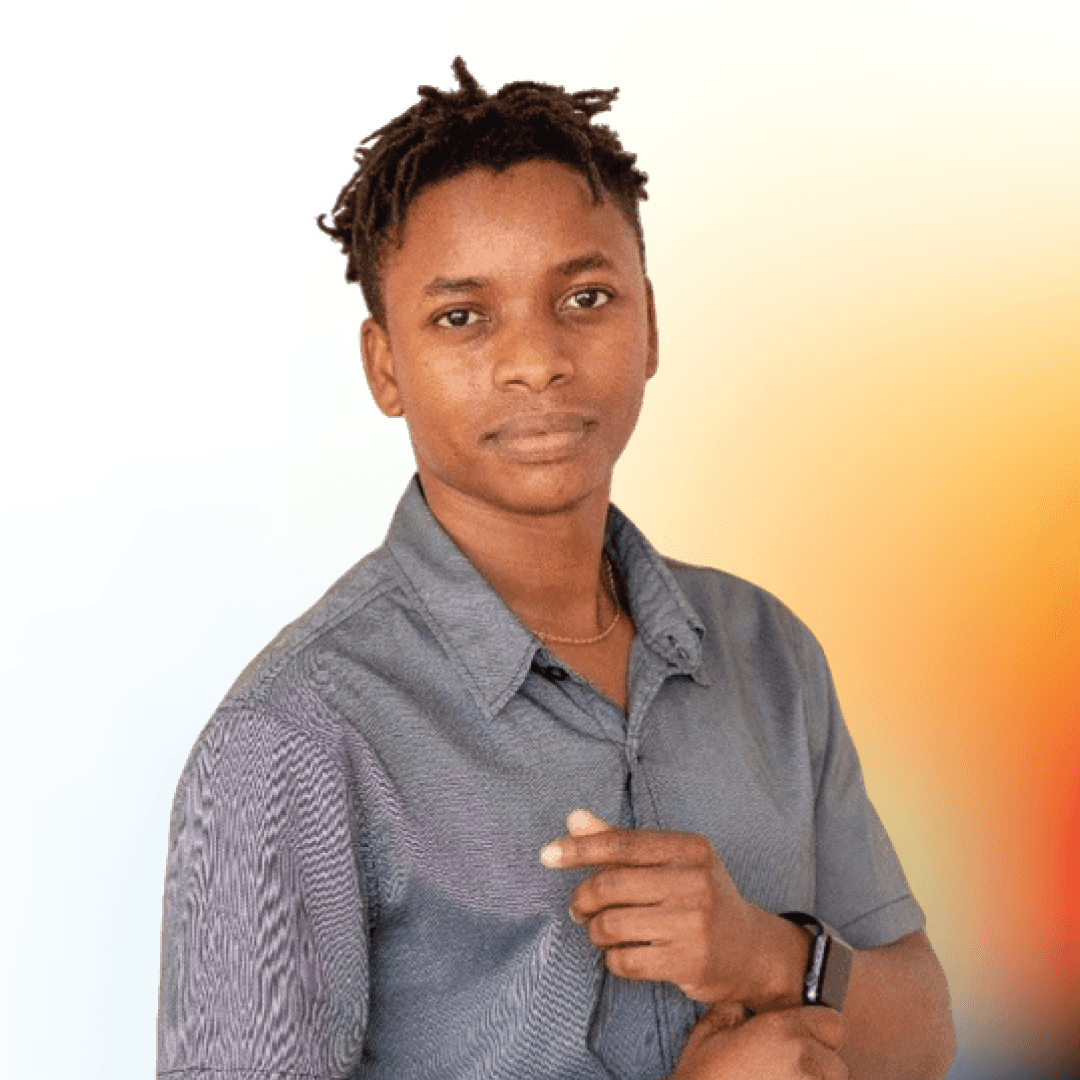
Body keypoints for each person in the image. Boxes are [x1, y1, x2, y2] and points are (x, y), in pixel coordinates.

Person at [157, 58, 955, 1080]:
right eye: (462, 316)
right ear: (385, 366)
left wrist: (764, 953)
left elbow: (924, 1033)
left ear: (650, 323)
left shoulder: (766, 651)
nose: (536, 360)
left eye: (584, 296)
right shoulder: (292, 738)